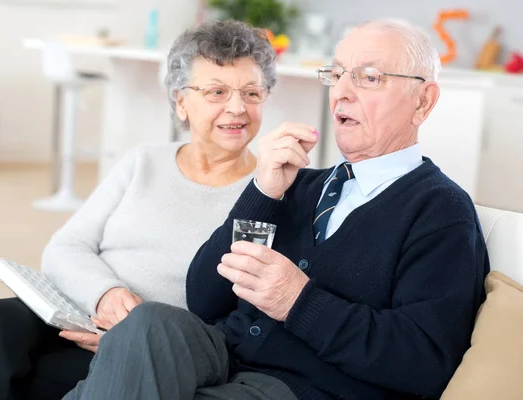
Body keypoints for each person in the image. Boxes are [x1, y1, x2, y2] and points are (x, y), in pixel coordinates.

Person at [61, 19, 490, 400]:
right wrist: (261, 192)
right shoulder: (301, 183)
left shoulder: (440, 210)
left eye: (369, 78)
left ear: (423, 101)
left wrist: (298, 301)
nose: (340, 91)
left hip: (301, 385)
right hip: (222, 354)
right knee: (147, 324)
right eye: (336, 74)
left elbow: (426, 363)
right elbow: (204, 297)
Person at [0, 20, 277, 400]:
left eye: (251, 92)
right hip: (85, 315)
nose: (237, 108)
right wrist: (105, 295)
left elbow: (246, 313)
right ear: (181, 101)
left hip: (156, 348)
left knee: (35, 374)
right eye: (217, 91)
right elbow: (66, 247)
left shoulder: (269, 191)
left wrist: (131, 337)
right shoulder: (142, 162)